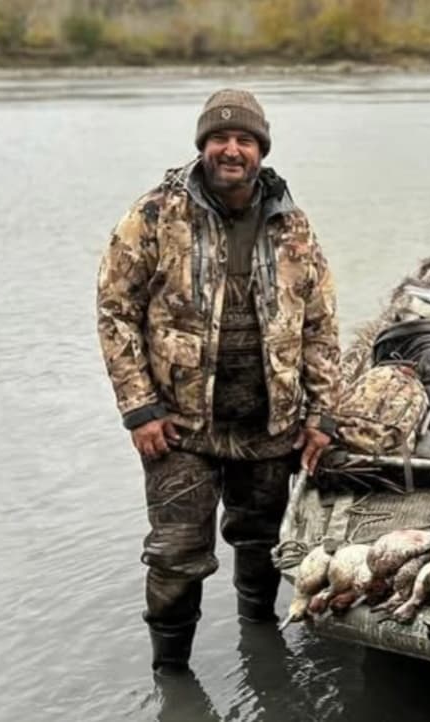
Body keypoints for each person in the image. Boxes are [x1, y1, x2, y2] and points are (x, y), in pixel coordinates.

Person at [96, 88, 342, 674]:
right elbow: (114, 310)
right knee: (176, 556)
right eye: (219, 138)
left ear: (261, 149)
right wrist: (139, 408)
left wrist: (320, 416)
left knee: (260, 546)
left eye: (245, 140)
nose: (231, 150)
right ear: (202, 145)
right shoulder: (154, 215)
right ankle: (172, 675)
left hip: (269, 427)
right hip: (178, 428)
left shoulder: (294, 225)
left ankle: (261, 650)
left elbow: (321, 324)